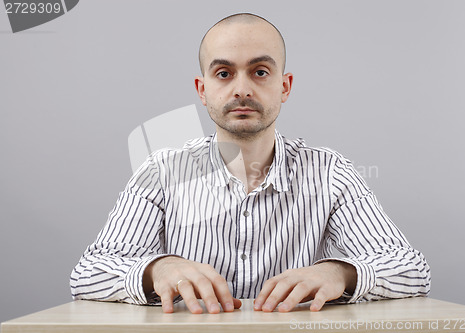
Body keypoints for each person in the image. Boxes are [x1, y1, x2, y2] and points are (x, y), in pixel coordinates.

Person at [70, 13, 431, 314]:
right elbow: (87, 274)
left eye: (259, 72)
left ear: (285, 87)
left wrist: (342, 274)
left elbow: (412, 269)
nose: (242, 89)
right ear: (203, 89)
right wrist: (156, 269)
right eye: (224, 74)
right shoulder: (162, 172)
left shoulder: (330, 174)